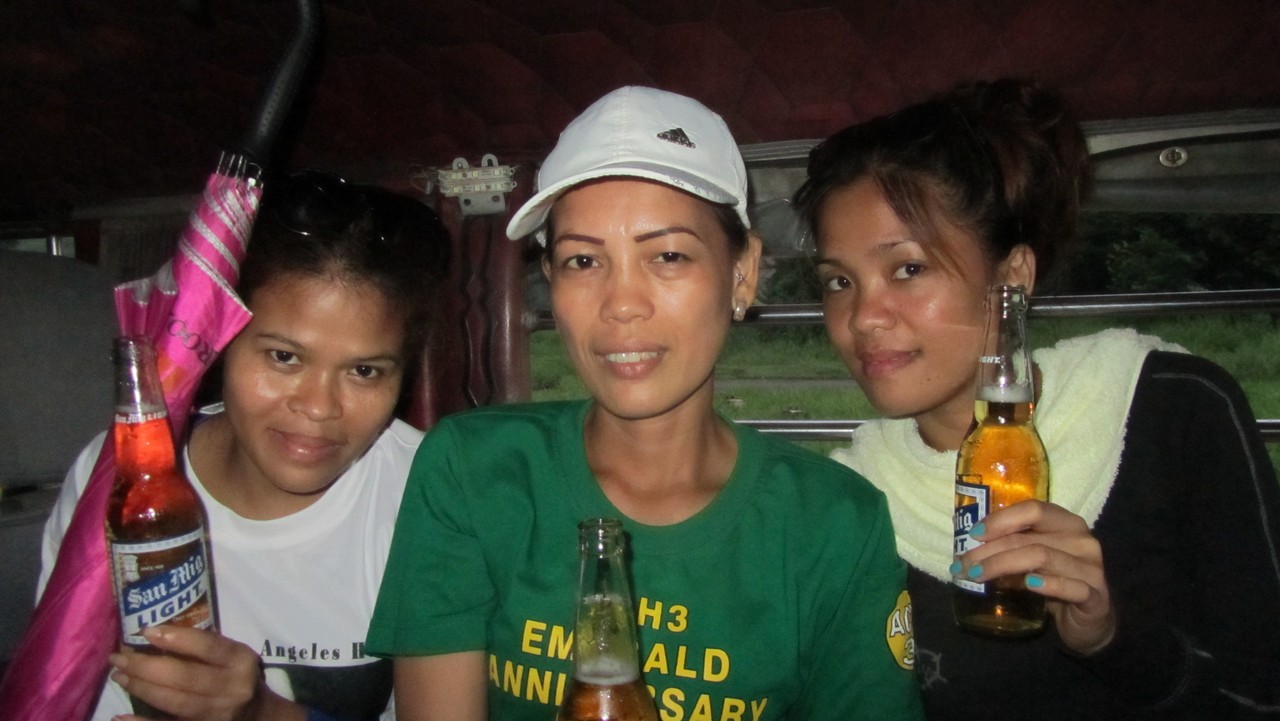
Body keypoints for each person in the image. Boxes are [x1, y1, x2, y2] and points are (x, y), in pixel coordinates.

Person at [365, 85, 924, 721]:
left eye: (668, 255)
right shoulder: (473, 470)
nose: (621, 304)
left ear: (742, 273)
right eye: (582, 260)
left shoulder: (833, 524)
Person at [792, 77, 1280, 720]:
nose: (862, 318)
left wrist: (1110, 640)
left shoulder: (1171, 409)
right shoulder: (852, 500)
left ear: (1012, 276)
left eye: (908, 268)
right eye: (838, 282)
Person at [38, 170, 451, 721]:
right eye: (284, 357)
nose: (319, 407)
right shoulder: (128, 478)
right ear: (223, 344)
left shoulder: (430, 493)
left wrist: (262, 713)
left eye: (364, 371)